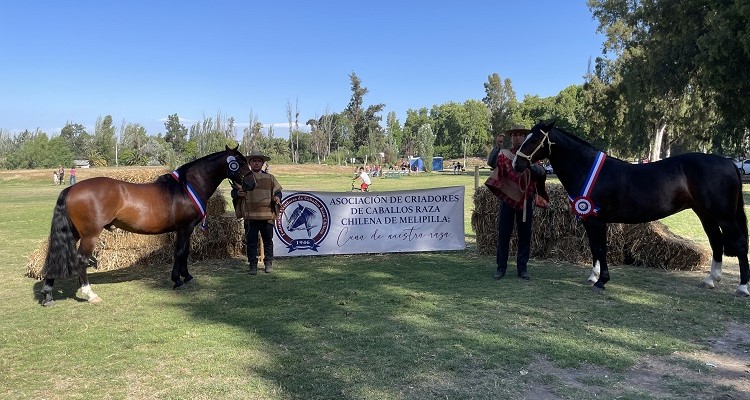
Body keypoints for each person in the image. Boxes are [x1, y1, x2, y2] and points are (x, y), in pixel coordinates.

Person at [490, 125, 547, 280]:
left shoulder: (531, 154)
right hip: (507, 200)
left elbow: (542, 172)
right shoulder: (504, 153)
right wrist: (497, 146)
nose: (517, 138)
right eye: (515, 135)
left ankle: (522, 268)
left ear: (524, 137)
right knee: (504, 235)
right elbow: (491, 163)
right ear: (511, 138)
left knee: (525, 235)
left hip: (525, 201)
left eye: (521, 135)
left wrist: (530, 164)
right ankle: (501, 268)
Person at [232, 150, 283, 275]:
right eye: (254, 161)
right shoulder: (243, 178)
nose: (256, 163)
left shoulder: (270, 178)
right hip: (250, 216)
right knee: (251, 242)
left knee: (268, 241)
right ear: (250, 163)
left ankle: (268, 264)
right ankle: (253, 266)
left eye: (259, 161)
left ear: (262, 163)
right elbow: (234, 192)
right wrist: (237, 194)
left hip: (267, 216)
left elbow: (278, 191)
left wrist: (277, 197)